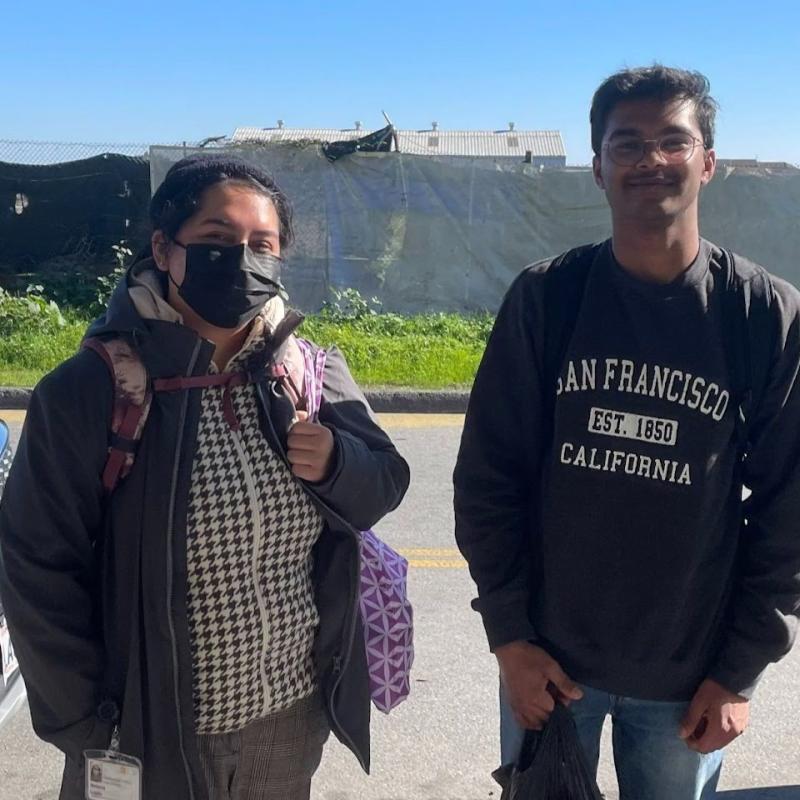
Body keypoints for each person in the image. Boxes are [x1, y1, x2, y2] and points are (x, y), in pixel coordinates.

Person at [0, 154, 410, 800]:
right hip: (146, 732)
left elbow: (384, 483)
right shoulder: (89, 391)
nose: (241, 260)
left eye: (261, 245)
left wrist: (337, 462)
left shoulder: (304, 369)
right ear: (164, 248)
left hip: (288, 722)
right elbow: (34, 570)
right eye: (217, 241)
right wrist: (85, 724)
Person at [453, 65, 800, 799]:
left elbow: (788, 510)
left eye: (674, 140)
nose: (651, 159)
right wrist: (510, 637)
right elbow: (489, 477)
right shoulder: (548, 298)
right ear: (598, 169)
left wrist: (739, 670)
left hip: (689, 680)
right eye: (627, 143)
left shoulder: (763, 315)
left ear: (707, 162)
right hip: (548, 669)